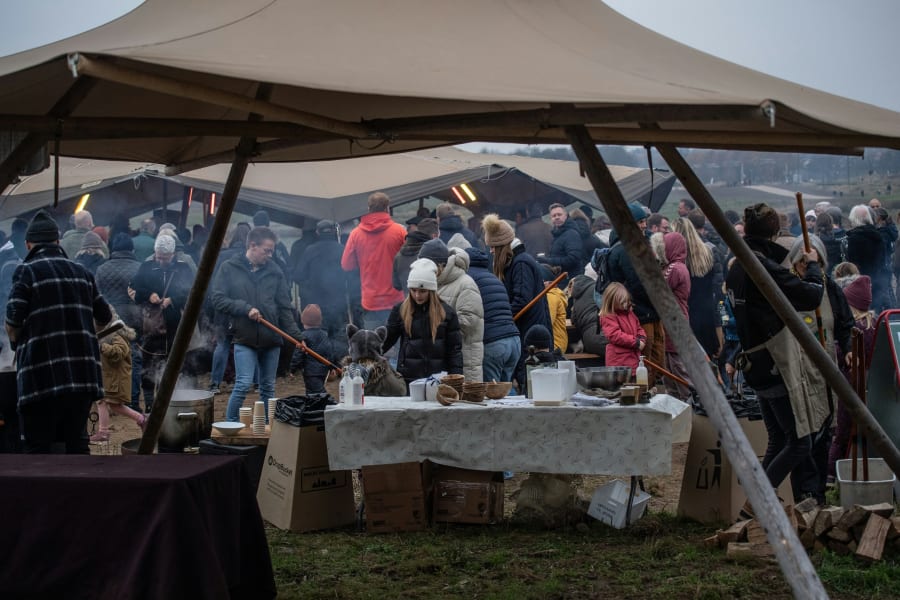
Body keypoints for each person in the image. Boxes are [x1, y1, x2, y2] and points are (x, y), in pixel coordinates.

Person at [725, 203, 826, 518]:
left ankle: (751, 507)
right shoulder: (758, 266)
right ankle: (758, 505)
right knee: (800, 442)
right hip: (774, 363)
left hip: (756, 363)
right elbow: (810, 296)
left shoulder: (737, 266)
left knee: (778, 439)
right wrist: (812, 267)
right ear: (775, 232)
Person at [6, 209, 113, 454]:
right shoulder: (82, 272)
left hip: (40, 376)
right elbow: (105, 317)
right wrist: (85, 335)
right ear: (57, 241)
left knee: (39, 448)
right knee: (77, 444)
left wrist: (18, 343)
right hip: (82, 376)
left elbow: (13, 321)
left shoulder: (26, 271)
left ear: (28, 244)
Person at [785, 235, 853, 505]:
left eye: (811, 262)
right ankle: (804, 493)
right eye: (801, 263)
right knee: (803, 434)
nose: (806, 267)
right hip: (796, 369)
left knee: (824, 433)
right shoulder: (788, 286)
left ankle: (819, 495)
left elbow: (845, 323)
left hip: (825, 369)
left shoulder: (831, 288)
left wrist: (847, 347)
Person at [212, 226, 302, 422]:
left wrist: (297, 336)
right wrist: (244, 308)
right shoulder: (229, 267)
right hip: (244, 336)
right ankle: (231, 424)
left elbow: (285, 308)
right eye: (266, 250)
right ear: (252, 245)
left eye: (271, 251)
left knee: (268, 386)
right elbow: (217, 299)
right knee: (243, 383)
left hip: (271, 338)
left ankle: (269, 428)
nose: (270, 255)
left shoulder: (275, 271)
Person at [482, 214, 551, 392]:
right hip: (523, 329)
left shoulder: (521, 263)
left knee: (528, 381)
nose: (490, 252)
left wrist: (503, 318)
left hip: (530, 333)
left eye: (492, 247)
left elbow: (522, 300)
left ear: (501, 246)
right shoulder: (516, 262)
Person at [131, 234, 193, 414]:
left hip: (174, 326)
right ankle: (150, 404)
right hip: (151, 326)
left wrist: (172, 300)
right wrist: (149, 294)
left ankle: (172, 403)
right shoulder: (147, 266)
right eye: (158, 256)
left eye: (164, 258)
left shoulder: (183, 269)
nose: (160, 260)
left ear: (173, 254)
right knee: (148, 365)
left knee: (174, 365)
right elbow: (135, 287)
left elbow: (191, 292)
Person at [608, 202, 665, 384]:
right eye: (639, 221)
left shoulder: (635, 246)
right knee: (647, 363)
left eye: (644, 221)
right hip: (640, 315)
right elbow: (638, 284)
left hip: (650, 312)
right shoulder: (624, 251)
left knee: (656, 362)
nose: (644, 225)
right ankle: (645, 397)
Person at [381, 258, 463, 384]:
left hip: (438, 381)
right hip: (408, 380)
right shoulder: (400, 310)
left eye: (423, 291)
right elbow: (386, 341)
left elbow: (454, 352)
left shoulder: (447, 313)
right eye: (413, 290)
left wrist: (456, 380)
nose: (418, 295)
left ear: (432, 290)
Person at [827, 273, 876, 485]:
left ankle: (831, 477)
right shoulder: (875, 325)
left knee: (842, 434)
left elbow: (839, 356)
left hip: (850, 386)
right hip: (870, 387)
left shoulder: (856, 331)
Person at [419, 239, 484, 382]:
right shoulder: (430, 285)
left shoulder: (465, 284)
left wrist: (434, 323)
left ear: (439, 265)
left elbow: (468, 322)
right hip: (440, 363)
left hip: (465, 363)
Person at [341, 191, 407, 329]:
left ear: (368, 208)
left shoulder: (356, 234)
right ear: (387, 208)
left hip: (370, 301)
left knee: (374, 345)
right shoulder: (399, 231)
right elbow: (409, 262)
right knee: (398, 343)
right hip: (396, 298)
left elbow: (346, 265)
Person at [95, 233, 143, 412]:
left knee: (109, 361)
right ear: (131, 249)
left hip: (109, 319)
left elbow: (97, 296)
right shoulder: (139, 267)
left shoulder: (102, 269)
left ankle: (110, 402)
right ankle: (133, 400)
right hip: (134, 318)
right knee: (134, 360)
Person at [465, 246, 521, 383]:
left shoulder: (467, 279)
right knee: (505, 389)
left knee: (493, 394)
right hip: (514, 340)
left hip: (494, 342)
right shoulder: (494, 277)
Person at [89, 314, 146, 442]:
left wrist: (101, 347)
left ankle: (103, 432)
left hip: (116, 379)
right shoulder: (108, 335)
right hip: (111, 378)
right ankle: (142, 419)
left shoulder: (116, 334)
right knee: (112, 405)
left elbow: (120, 352)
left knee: (103, 401)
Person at [672, 217, 721, 359]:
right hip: (708, 312)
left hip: (687, 313)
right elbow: (719, 288)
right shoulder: (710, 252)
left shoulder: (676, 261)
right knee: (713, 360)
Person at [295, 219, 350, 341]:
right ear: (334, 232)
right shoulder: (342, 250)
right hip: (338, 304)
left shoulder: (310, 250)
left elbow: (298, 276)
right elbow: (351, 275)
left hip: (317, 305)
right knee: (338, 339)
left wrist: (310, 288)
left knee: (318, 340)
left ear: (317, 232)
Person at [845, 204, 890, 312]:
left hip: (859, 284)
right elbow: (883, 261)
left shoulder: (853, 239)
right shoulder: (878, 236)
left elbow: (852, 265)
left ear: (854, 219)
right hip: (877, 283)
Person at [290, 304, 342, 395]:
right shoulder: (324, 335)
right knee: (314, 392)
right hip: (323, 371)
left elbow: (298, 354)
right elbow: (330, 352)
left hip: (310, 372)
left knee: (315, 394)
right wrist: (332, 366)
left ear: (303, 321)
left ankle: (328, 404)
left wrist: (292, 369)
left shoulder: (303, 336)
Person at [599, 282, 646, 373]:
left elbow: (639, 328)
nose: (625, 304)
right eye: (621, 302)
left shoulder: (630, 314)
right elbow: (614, 335)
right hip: (619, 362)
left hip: (633, 358)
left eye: (625, 301)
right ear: (612, 301)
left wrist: (642, 338)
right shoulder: (608, 316)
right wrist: (635, 342)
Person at [393, 218, 438, 294]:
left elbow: (397, 285)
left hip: (408, 302)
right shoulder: (434, 254)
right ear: (434, 236)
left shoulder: (399, 255)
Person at [540, 203, 583, 281]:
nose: (557, 217)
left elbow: (573, 259)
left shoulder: (571, 234)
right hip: (561, 278)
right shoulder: (558, 234)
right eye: (554, 216)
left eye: (559, 214)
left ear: (566, 216)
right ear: (551, 219)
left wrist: (549, 261)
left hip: (571, 280)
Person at [540, 264, 569, 354]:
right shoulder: (553, 294)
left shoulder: (550, 297)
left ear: (548, 282)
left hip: (554, 345)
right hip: (557, 343)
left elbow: (547, 322)